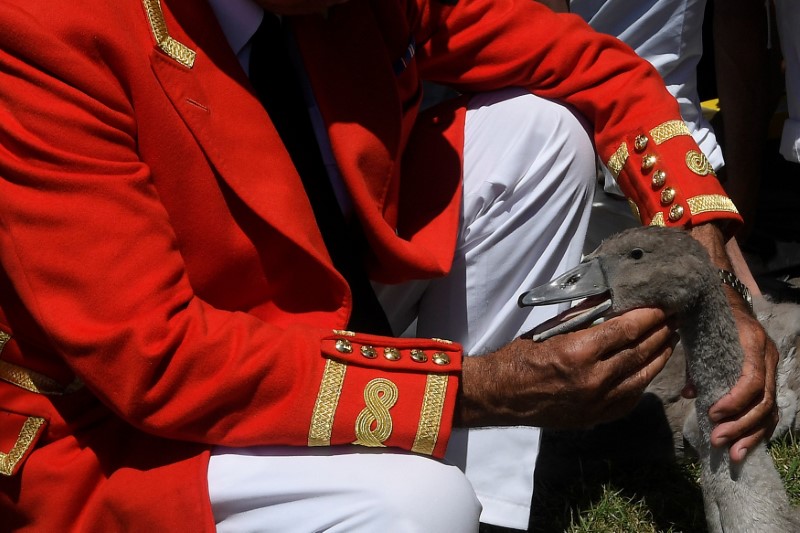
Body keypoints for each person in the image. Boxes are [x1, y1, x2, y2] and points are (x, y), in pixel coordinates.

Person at [0, 0, 778, 531]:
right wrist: (483, 387)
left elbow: (591, 63)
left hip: (313, 307)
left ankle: (487, 511)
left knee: (540, 138)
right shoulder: (49, 27)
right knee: (415, 505)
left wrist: (706, 259)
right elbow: (157, 358)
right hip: (124, 431)